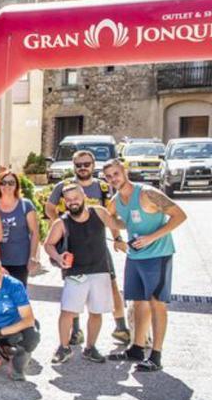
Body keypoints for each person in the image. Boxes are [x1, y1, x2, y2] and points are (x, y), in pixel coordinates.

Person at [103, 159, 187, 372]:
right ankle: (136, 348)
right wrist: (117, 236)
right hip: (135, 257)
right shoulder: (116, 200)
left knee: (156, 302)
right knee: (138, 301)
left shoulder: (147, 194)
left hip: (158, 255)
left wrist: (152, 237)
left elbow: (179, 215)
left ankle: (156, 355)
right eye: (109, 176)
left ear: (125, 171)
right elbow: (114, 219)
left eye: (116, 173)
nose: (114, 178)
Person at [47, 150, 132, 343]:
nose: (83, 168)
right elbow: (49, 208)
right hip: (72, 246)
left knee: (111, 285)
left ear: (93, 165)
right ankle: (76, 331)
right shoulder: (63, 186)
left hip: (98, 246)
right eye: (78, 165)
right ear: (73, 166)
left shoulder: (103, 187)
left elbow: (110, 216)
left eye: (86, 164)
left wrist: (117, 237)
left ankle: (121, 327)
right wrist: (60, 227)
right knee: (74, 287)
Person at [44, 183, 118, 365]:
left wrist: (118, 239)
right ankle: (63, 347)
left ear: (83, 196)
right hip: (75, 273)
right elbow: (48, 244)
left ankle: (90, 348)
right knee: (67, 312)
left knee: (96, 312)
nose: (72, 202)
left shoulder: (99, 212)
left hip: (100, 270)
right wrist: (58, 257)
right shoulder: (62, 222)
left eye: (75, 198)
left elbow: (114, 224)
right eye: (68, 200)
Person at [0, 171, 39, 284]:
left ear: (16, 186)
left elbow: (34, 232)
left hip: (20, 260)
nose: (7, 186)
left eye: (11, 183)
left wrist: (32, 257)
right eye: (3, 183)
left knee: (18, 296)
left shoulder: (25, 205)